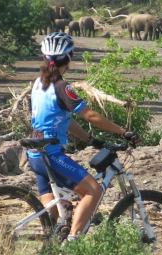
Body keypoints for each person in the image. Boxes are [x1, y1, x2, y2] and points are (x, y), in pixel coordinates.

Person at [27, 32, 140, 242]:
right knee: (94, 191)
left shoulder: (38, 84)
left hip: (35, 154)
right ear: (68, 59)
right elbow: (90, 116)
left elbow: (64, 120)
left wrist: (92, 140)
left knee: (56, 218)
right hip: (51, 153)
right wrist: (124, 132)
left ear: (45, 58)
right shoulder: (62, 87)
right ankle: (74, 243)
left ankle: (54, 240)